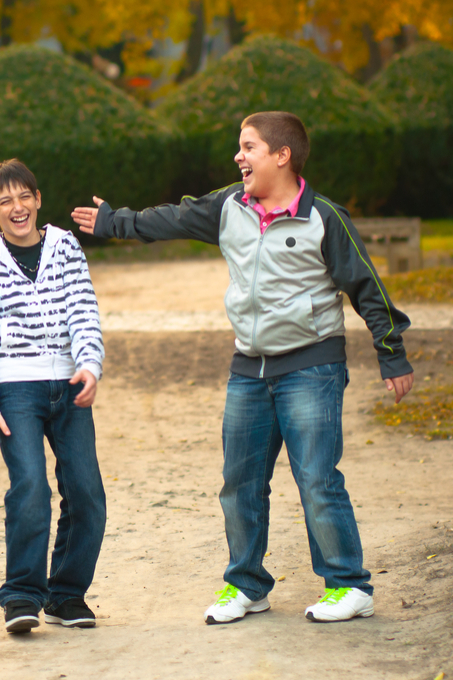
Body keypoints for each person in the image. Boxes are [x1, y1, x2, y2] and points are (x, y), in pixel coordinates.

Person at [73, 111, 415, 624]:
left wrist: (391, 353)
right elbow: (173, 217)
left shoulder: (325, 217)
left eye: (249, 147)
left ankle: (349, 586)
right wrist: (114, 221)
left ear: (283, 155)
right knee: (239, 482)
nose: (239, 157)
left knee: (317, 478)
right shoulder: (231, 205)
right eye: (240, 147)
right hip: (248, 368)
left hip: (312, 366)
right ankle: (247, 585)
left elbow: (367, 287)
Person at [0, 159, 107, 634]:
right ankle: (22, 596)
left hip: (69, 385)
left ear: (38, 199)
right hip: (15, 390)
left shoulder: (66, 246)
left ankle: (66, 596)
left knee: (87, 492)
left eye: (24, 196)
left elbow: (83, 308)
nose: (17, 206)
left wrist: (90, 364)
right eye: (4, 201)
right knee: (30, 489)